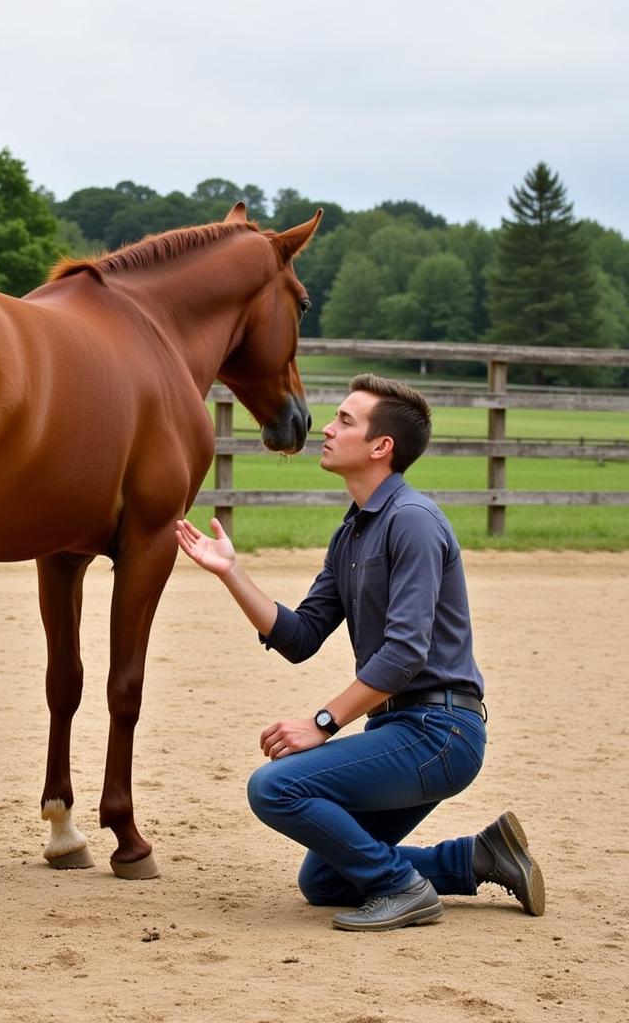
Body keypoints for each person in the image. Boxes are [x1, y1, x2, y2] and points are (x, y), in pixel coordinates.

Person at [174, 373, 545, 931]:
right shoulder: (352, 533)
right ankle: (480, 857)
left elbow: (403, 655)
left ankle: (402, 889)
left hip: (440, 734)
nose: (326, 427)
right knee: (323, 880)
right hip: (400, 732)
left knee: (274, 786)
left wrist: (322, 722)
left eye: (345, 420)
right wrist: (231, 572)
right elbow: (300, 637)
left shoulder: (413, 523)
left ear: (381, 446)